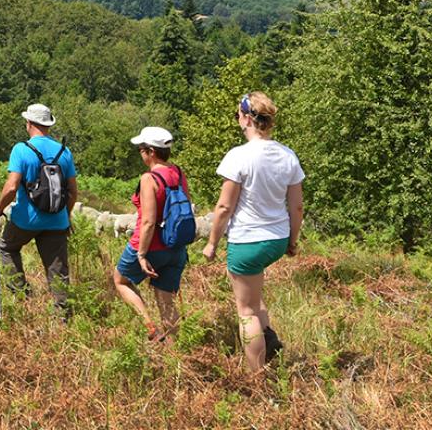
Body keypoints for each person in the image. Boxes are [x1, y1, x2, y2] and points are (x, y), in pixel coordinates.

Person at [200, 92, 305, 372]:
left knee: (246, 312)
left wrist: (212, 244)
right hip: (277, 239)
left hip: (248, 241)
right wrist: (292, 241)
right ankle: (270, 342)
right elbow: (297, 207)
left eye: (238, 114)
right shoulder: (288, 155)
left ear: (246, 118)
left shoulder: (239, 156)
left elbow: (224, 207)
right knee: (254, 296)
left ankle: (256, 377)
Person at [0, 103, 78, 321]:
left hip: (26, 220)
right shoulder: (64, 152)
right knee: (58, 269)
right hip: (57, 221)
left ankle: (22, 294)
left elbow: (11, 187)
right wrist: (65, 217)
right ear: (48, 125)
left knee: (7, 248)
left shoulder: (21, 149)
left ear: (29, 123)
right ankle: (62, 318)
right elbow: (73, 192)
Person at [112, 127, 190, 343]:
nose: (140, 153)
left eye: (141, 149)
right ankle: (175, 351)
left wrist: (141, 255)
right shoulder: (178, 173)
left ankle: (151, 329)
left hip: (150, 245)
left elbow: (148, 221)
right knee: (166, 301)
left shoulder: (149, 178)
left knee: (120, 281)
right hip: (175, 246)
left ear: (151, 152)